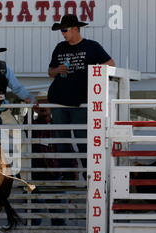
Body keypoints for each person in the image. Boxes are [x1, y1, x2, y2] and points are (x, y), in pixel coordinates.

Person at [47, 14, 115, 180]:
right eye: (61, 30)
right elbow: (50, 71)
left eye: (65, 30)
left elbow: (111, 64)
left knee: (83, 140)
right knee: (61, 141)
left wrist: (93, 72)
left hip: (82, 102)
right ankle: (68, 175)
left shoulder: (91, 46)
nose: (62, 33)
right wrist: (57, 70)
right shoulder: (60, 47)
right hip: (58, 101)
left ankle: (89, 174)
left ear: (75, 29)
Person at [27, 104, 66, 226]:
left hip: (56, 174)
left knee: (58, 215)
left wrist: (73, 170)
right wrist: (29, 109)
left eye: (46, 104)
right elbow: (24, 127)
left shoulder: (58, 125)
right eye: (40, 104)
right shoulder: (32, 124)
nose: (43, 107)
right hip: (36, 175)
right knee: (34, 216)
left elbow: (66, 146)